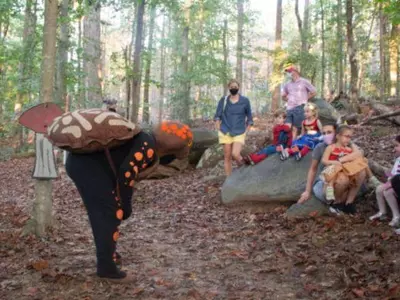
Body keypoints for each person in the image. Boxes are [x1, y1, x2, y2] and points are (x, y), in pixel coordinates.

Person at [66, 121, 193, 283]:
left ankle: (108, 253)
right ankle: (107, 269)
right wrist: (126, 206)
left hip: (81, 163)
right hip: (87, 166)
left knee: (105, 213)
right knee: (108, 213)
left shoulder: (145, 140)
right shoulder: (147, 146)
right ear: (170, 148)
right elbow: (127, 175)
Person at [297, 123, 367, 214]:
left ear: (336, 134)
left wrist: (349, 147)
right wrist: (307, 191)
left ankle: (348, 203)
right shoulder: (321, 147)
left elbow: (360, 155)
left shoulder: (347, 143)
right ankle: (337, 203)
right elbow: (313, 169)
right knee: (341, 181)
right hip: (328, 178)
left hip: (345, 174)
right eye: (324, 133)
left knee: (360, 169)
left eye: (329, 132)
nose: (326, 135)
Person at [214, 79, 253, 176]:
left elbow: (249, 117)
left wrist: (247, 130)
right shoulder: (224, 100)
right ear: (228, 88)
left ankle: (246, 169)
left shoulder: (245, 101)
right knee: (227, 157)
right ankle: (229, 180)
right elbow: (217, 115)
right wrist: (218, 125)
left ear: (239, 88)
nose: (233, 89)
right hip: (225, 131)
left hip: (239, 131)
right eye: (231, 87)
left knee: (235, 154)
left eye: (235, 87)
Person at [369, 135, 400, 227]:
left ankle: (396, 216)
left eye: (397, 145)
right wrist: (389, 176)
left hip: (396, 184)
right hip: (394, 183)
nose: (394, 148)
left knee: (386, 191)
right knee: (380, 189)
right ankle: (383, 212)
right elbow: (394, 173)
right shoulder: (398, 159)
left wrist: (391, 183)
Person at [282, 66, 317, 140]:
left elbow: (314, 92)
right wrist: (288, 99)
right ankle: (287, 146)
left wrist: (305, 99)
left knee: (296, 129)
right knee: (287, 128)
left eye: (290, 71)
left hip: (300, 107)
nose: (289, 73)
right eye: (288, 72)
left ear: (296, 71)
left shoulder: (304, 81)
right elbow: (283, 96)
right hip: (289, 108)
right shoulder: (287, 84)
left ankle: (295, 146)